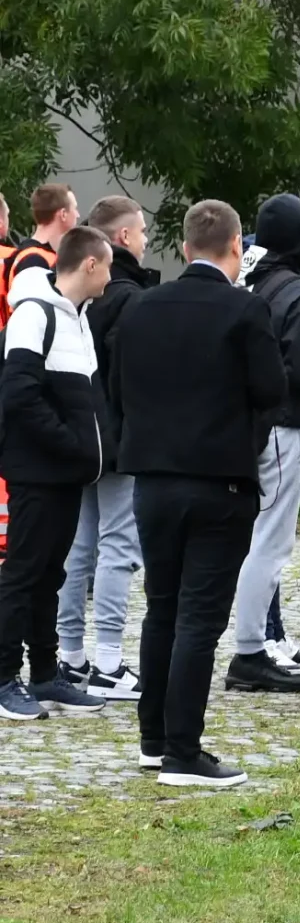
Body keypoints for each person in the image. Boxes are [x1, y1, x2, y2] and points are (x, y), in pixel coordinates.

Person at [113, 199, 286, 789]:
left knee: (162, 607)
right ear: (236, 247)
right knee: (199, 619)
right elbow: (271, 388)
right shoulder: (245, 309)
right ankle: (184, 751)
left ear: (185, 248)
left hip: (153, 482)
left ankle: (153, 738)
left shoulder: (139, 307)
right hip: (219, 481)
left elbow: (117, 389)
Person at [222, 195, 300, 695]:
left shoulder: (246, 281)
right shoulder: (299, 294)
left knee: (252, 534)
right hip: (284, 423)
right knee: (272, 540)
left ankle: (256, 640)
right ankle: (250, 646)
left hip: (242, 422)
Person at [0, 228, 114, 720]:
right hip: (39, 472)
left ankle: (45, 674)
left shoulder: (78, 319)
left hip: (67, 475)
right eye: (107, 266)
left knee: (50, 574)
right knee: (23, 574)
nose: (111, 277)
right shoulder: (35, 313)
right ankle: (5, 676)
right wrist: (69, 446)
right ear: (90, 264)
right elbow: (19, 394)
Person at [56, 197, 155, 701]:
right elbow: (135, 376)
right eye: (140, 232)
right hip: (117, 439)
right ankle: (111, 660)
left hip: (82, 435)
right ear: (121, 239)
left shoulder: (75, 297)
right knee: (118, 543)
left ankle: (70, 653)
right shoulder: (130, 298)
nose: (145, 239)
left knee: (80, 545)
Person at [4, 184, 79, 318]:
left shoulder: (31, 254)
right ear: (63, 214)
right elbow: (31, 316)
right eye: (75, 208)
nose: (78, 215)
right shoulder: (34, 259)